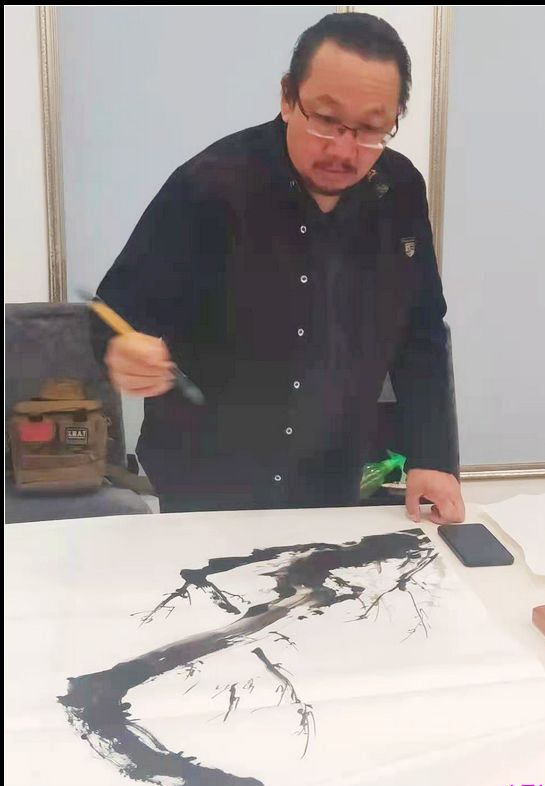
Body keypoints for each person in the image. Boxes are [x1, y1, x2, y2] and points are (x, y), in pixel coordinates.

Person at [93, 12, 465, 523]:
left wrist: (433, 457)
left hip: (334, 475)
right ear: (288, 98)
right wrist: (121, 348)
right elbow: (110, 315)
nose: (343, 150)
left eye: (370, 129)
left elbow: (420, 329)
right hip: (206, 484)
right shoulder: (209, 186)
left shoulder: (399, 191)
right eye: (326, 119)